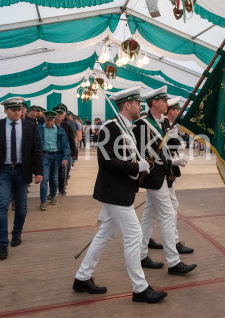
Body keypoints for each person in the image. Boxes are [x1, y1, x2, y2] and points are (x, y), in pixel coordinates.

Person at [73, 86, 167, 303]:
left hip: (121, 191)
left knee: (104, 234)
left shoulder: (127, 128)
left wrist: (144, 162)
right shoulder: (110, 127)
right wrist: (136, 167)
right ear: (128, 105)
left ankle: (82, 277)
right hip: (115, 192)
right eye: (138, 103)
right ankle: (140, 288)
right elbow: (106, 161)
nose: (141, 107)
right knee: (134, 236)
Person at [133, 86, 197, 275]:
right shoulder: (142, 124)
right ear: (154, 103)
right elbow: (143, 151)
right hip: (154, 176)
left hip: (163, 174)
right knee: (168, 214)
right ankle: (173, 262)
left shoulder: (160, 123)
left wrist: (176, 133)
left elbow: (168, 147)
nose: (167, 104)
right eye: (163, 101)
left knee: (149, 216)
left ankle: (141, 254)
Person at [0, 97, 43, 260]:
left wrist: (39, 171)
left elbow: (36, 150)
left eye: (19, 109)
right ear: (6, 110)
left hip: (22, 171)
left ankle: (17, 233)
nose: (17, 112)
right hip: (3, 172)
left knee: (22, 206)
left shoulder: (30, 126)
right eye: (13, 109)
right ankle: (2, 244)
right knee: (1, 206)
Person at [146, 96, 194, 254]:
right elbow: (156, 150)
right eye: (176, 109)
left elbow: (171, 146)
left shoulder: (167, 124)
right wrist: (172, 160)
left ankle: (144, 240)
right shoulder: (156, 124)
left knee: (150, 213)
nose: (178, 112)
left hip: (167, 171)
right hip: (160, 173)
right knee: (170, 208)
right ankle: (174, 244)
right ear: (170, 111)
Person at [37, 111, 70, 211]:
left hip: (56, 156)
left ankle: (53, 196)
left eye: (51, 120)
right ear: (45, 119)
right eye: (48, 120)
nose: (49, 122)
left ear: (54, 120)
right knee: (44, 179)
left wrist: (65, 157)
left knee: (54, 178)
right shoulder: (39, 129)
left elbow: (66, 145)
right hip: (44, 156)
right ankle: (43, 201)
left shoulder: (60, 130)